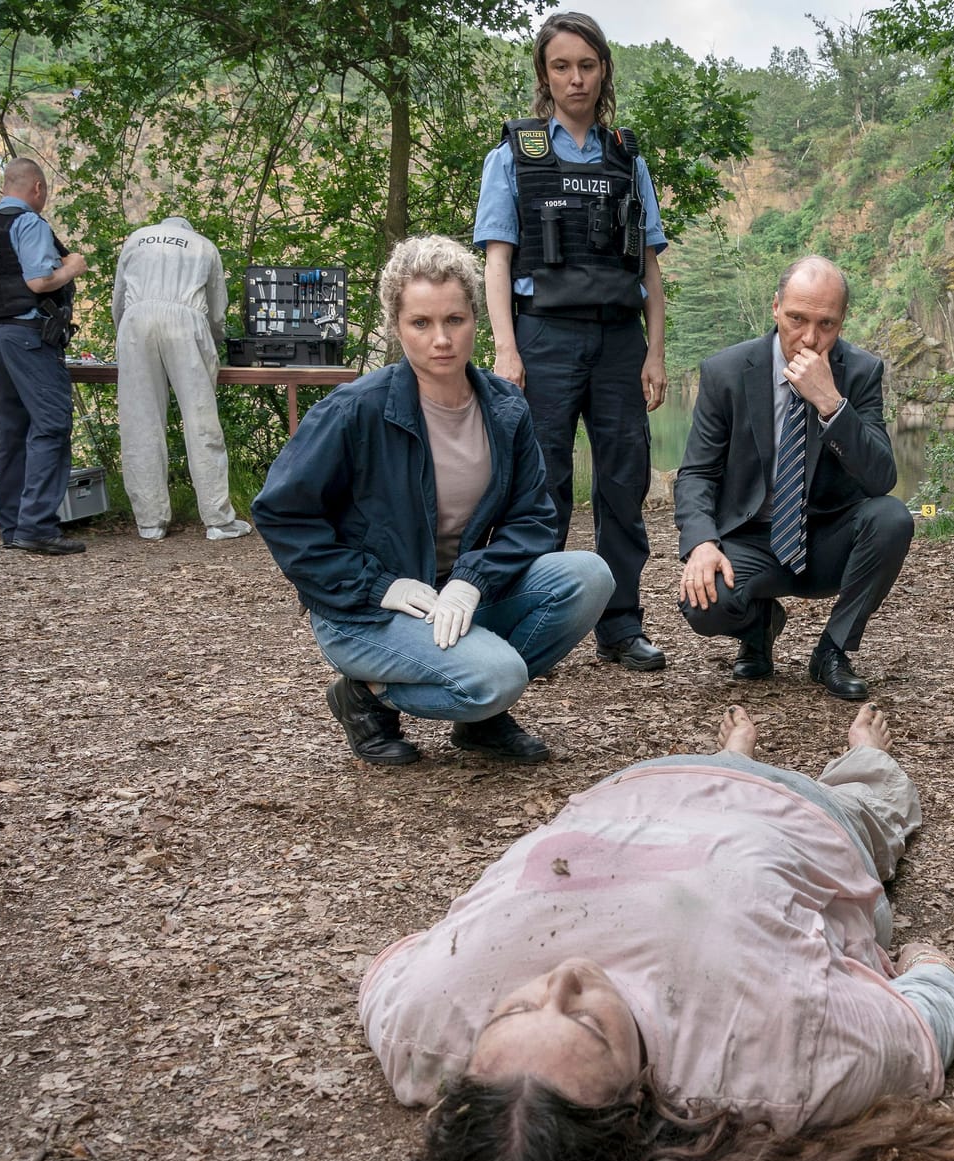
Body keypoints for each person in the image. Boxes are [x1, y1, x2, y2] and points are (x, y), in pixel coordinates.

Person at [364, 702, 954, 1161]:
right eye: (586, 1021)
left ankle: (734, 753)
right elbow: (923, 1027)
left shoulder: (421, 1025)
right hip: (798, 812)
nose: (561, 977)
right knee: (878, 806)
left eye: (512, 1010)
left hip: (635, 789)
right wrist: (928, 963)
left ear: (470, 1069)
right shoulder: (779, 1061)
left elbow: (390, 964)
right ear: (639, 1101)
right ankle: (861, 756)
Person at [252, 235, 613, 766]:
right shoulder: (354, 411)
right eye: (421, 323)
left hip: (452, 595)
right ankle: (366, 695)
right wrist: (379, 584)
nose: (441, 339)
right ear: (397, 326)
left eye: (455, 320)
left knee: (588, 576)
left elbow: (533, 517)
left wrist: (474, 579)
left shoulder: (504, 406)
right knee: (499, 676)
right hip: (364, 610)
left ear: (476, 319)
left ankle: (477, 718)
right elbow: (281, 513)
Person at [473, 11, 669, 673]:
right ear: (544, 74)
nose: (575, 78)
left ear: (603, 69)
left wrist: (657, 351)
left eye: (586, 65)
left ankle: (621, 627)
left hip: (619, 342)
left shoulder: (625, 155)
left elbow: (650, 267)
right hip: (544, 338)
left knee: (623, 484)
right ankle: (541, 627)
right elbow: (497, 260)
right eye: (561, 66)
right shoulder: (513, 155)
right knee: (541, 489)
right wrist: (506, 348)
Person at [674, 256, 914, 701]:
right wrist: (702, 543)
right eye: (797, 319)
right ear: (775, 308)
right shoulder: (725, 372)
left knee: (892, 517)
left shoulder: (860, 373)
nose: (810, 337)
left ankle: (832, 651)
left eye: (826, 324)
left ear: (842, 321)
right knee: (701, 604)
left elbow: (881, 478)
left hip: (828, 540)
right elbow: (696, 473)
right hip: (751, 540)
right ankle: (759, 626)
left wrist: (831, 403)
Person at [0, 157, 88, 555]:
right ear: (37, 189)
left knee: (10, 432)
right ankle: (38, 526)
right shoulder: (28, 222)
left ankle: (12, 525)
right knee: (50, 424)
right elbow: (39, 280)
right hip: (28, 336)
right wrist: (72, 268)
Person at [112, 214, 252, 542]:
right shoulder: (204, 246)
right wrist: (213, 340)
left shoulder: (136, 238)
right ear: (187, 228)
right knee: (201, 422)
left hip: (136, 321)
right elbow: (217, 310)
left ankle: (150, 522)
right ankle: (218, 520)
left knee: (140, 424)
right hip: (186, 322)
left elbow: (119, 299)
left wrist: (125, 333)